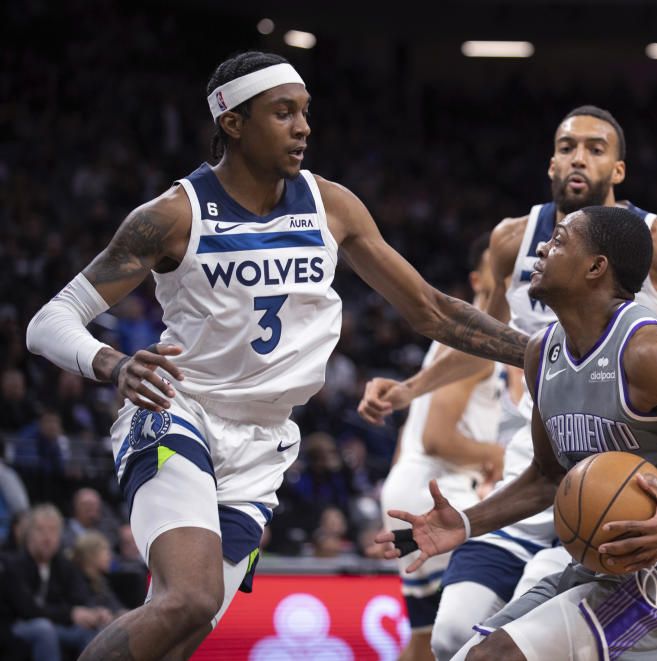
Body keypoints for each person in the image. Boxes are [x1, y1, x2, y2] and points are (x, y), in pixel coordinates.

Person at [24, 50, 526, 660]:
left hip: (264, 444)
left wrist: (542, 351)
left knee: (185, 628)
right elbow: (49, 320)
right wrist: (113, 363)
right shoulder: (174, 215)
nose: (303, 127)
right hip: (179, 410)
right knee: (190, 597)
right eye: (282, 113)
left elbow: (432, 310)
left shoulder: (332, 205)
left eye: (306, 113)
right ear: (232, 122)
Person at [359, 104, 657, 659]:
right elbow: (466, 337)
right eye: (567, 146)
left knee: (509, 654)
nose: (544, 249)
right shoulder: (540, 339)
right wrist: (464, 519)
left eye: (595, 148)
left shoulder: (653, 339)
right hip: (567, 485)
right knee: (461, 647)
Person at [381, 233, 506, 661]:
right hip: (438, 491)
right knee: (471, 634)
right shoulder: (476, 340)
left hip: (413, 484)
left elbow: (410, 437)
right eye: (499, 264)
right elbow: (437, 436)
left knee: (423, 639)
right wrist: (496, 456)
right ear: (477, 278)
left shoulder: (465, 335)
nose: (510, 272)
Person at [1, 504, 108, 661]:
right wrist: (70, 613)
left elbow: (79, 598)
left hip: (56, 624)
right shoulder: (14, 566)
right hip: (17, 626)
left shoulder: (64, 565)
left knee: (93, 630)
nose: (47, 537)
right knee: (44, 629)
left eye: (53, 531)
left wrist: (94, 613)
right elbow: (28, 610)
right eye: (40, 530)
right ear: (28, 534)